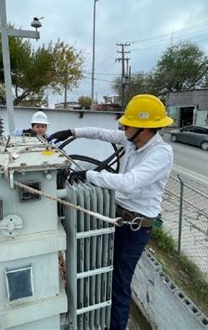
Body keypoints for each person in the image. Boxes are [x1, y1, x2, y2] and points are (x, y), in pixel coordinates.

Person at [48, 94, 174, 330]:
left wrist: (88, 175)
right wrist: (72, 132)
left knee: (119, 282)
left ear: (144, 128)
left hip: (135, 228)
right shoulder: (132, 140)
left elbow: (129, 182)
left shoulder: (161, 153)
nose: (122, 126)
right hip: (117, 218)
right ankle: (95, 314)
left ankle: (116, 326)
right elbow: (101, 133)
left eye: (127, 124)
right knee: (101, 267)